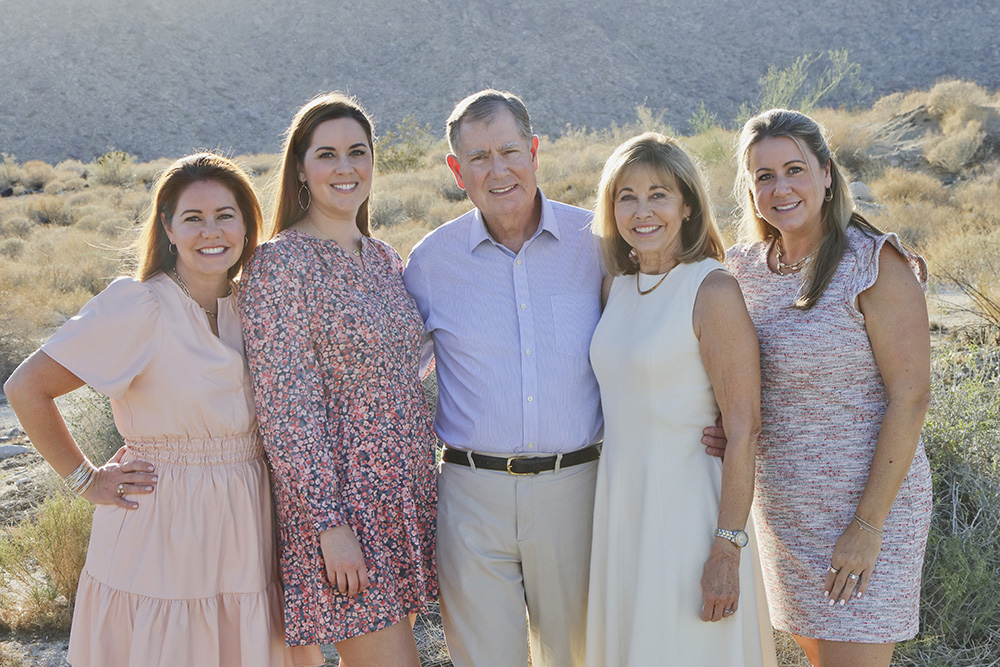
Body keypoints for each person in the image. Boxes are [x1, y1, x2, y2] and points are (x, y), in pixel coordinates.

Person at [403, 90, 727, 667]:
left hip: (578, 488)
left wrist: (716, 410)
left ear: (534, 150)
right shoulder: (430, 261)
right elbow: (393, 373)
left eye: (508, 151)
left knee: (580, 656)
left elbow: (667, 312)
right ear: (457, 171)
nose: (498, 170)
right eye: (478, 158)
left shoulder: (600, 243)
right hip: (469, 494)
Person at [3, 153, 320, 667]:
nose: (211, 231)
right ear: (168, 228)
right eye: (193, 218)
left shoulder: (256, 305)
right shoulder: (139, 305)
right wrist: (84, 479)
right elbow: (26, 388)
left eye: (226, 214)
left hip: (247, 521)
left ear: (246, 225)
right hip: (162, 524)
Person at [726, 108, 933, 667]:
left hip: (866, 511)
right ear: (749, 187)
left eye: (794, 169)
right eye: (763, 176)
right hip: (783, 513)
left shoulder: (874, 263)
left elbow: (911, 398)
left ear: (825, 173)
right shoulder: (740, 269)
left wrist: (867, 528)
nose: (781, 187)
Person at [238, 92, 437, 667]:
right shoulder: (280, 265)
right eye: (327, 154)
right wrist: (329, 526)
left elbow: (400, 370)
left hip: (404, 497)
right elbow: (287, 406)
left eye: (358, 152)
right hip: (343, 510)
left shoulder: (382, 258)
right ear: (300, 168)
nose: (345, 167)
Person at [584, 132, 776, 666]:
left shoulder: (712, 290)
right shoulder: (614, 288)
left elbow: (744, 429)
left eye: (658, 194)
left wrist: (726, 549)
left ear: (687, 205)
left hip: (691, 512)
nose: (642, 211)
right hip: (622, 509)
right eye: (627, 196)